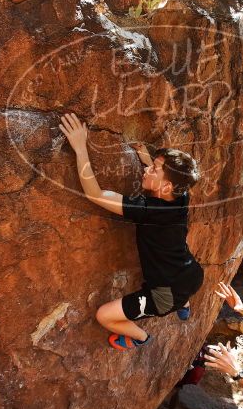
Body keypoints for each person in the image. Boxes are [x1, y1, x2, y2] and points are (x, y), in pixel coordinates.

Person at [58, 113, 204, 351]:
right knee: (179, 288)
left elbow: (95, 194)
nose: (147, 171)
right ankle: (183, 304)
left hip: (164, 296)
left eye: (154, 170)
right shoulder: (181, 194)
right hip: (193, 275)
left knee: (104, 316)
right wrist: (150, 162)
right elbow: (168, 183)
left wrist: (80, 147)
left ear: (166, 185)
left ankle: (140, 337)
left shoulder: (147, 209)